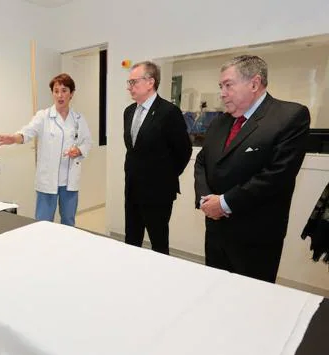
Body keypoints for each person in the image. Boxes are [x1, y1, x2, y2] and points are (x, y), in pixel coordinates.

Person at [194, 55, 310, 283]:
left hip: (255, 237)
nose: (222, 93)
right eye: (221, 86)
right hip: (216, 231)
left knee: (252, 305)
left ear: (254, 84)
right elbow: (201, 162)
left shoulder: (289, 117)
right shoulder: (220, 122)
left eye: (228, 85)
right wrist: (205, 200)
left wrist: (225, 203)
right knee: (214, 294)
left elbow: (277, 175)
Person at [0, 73, 92, 226]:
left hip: (69, 180)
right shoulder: (43, 116)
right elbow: (27, 132)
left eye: (64, 90)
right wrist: (14, 138)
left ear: (71, 94)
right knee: (43, 223)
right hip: (48, 180)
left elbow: (87, 142)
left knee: (68, 221)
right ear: (52, 93)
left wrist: (78, 150)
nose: (60, 95)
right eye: (56, 91)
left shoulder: (78, 119)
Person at [123, 61, 192, 255]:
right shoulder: (128, 112)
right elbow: (133, 150)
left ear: (150, 82)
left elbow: (183, 152)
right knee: (131, 240)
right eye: (129, 82)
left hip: (158, 191)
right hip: (132, 187)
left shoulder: (169, 112)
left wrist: (163, 176)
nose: (129, 87)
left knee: (158, 242)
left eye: (133, 82)